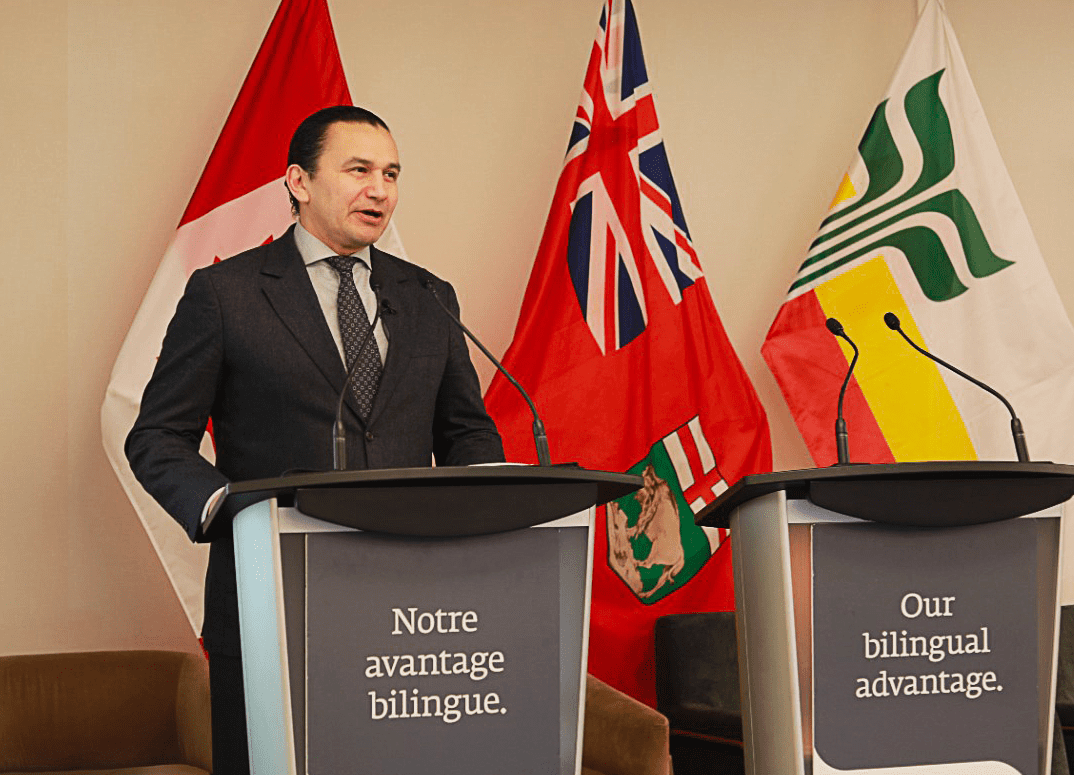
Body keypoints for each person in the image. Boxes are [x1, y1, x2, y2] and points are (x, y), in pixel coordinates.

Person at [125, 105, 505, 772]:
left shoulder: (427, 297)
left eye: (391, 173)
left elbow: (466, 429)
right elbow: (157, 435)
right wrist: (228, 510)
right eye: (358, 169)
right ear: (299, 181)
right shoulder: (227, 293)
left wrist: (482, 500)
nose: (380, 189)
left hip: (410, 613)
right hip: (271, 601)